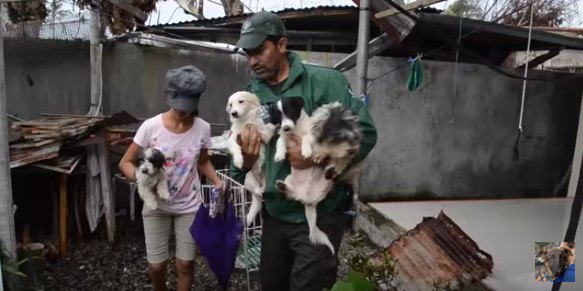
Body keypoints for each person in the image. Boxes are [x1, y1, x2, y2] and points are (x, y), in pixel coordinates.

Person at [231, 11, 377, 291]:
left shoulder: (326, 82)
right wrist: (246, 162)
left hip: (320, 211)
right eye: (247, 53)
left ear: (282, 45)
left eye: (259, 50)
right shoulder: (252, 92)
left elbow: (366, 134)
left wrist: (315, 156)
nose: (252, 61)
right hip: (275, 212)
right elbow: (243, 158)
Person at [119, 65, 222, 291]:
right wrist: (141, 181)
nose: (182, 112)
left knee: (185, 264)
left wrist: (217, 181)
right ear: (169, 96)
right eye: (178, 106)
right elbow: (125, 162)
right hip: (156, 206)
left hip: (189, 206)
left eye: (188, 106)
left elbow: (202, 161)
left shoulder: (203, 128)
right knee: (157, 267)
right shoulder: (150, 127)